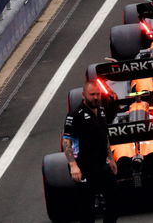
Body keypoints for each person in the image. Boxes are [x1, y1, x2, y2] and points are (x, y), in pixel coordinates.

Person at [63, 81, 118, 223]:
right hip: (84, 167)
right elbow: (66, 142)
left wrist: (110, 158)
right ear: (84, 95)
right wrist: (73, 166)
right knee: (87, 210)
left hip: (101, 165)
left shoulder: (101, 111)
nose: (95, 97)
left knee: (115, 201)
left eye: (97, 94)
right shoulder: (74, 115)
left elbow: (104, 136)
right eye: (92, 94)